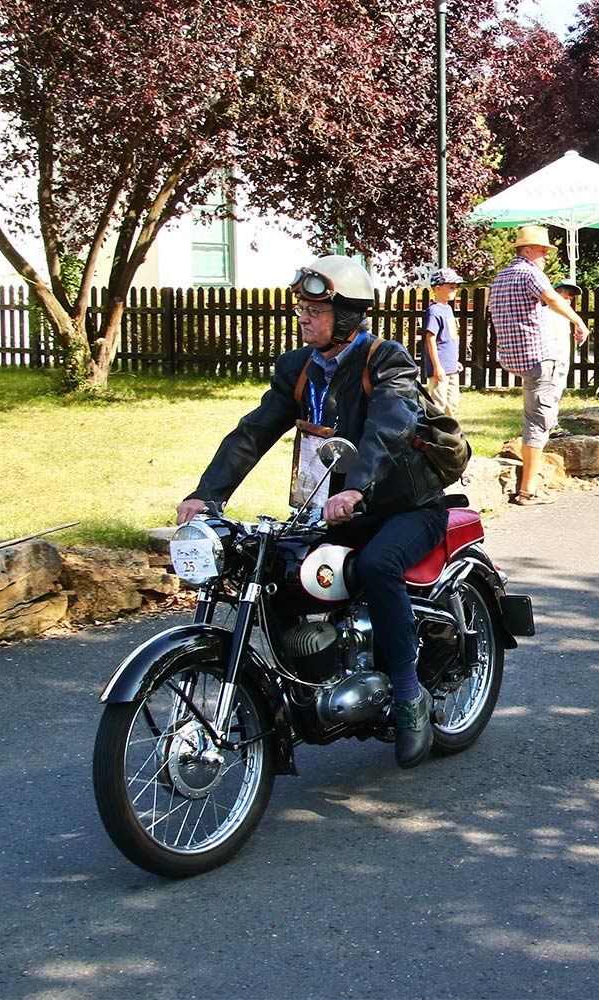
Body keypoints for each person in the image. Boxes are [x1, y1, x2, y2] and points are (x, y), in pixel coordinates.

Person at [175, 255, 447, 770]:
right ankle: (309, 682)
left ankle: (410, 697)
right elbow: (254, 431)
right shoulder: (297, 368)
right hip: (331, 511)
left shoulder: (387, 361)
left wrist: (357, 488)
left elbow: (386, 428)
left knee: (376, 566)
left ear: (347, 315)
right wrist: (208, 494)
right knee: (278, 569)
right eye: (301, 307)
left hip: (404, 507)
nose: (304, 317)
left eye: (316, 310)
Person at [489, 225, 590, 505]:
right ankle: (528, 490)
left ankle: (528, 481)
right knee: (538, 422)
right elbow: (553, 298)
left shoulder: (502, 276)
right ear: (528, 249)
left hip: (512, 356)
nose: (547, 255)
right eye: (543, 250)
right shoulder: (530, 272)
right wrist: (578, 321)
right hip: (538, 357)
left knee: (535, 415)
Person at [423, 266, 464, 416]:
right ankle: (436, 434)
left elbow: (451, 337)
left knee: (452, 403)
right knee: (438, 403)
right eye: (451, 287)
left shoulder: (448, 309)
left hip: (451, 366)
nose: (455, 290)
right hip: (439, 368)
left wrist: (455, 360)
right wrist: (437, 366)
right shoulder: (434, 312)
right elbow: (431, 338)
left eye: (456, 287)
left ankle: (449, 433)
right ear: (438, 289)